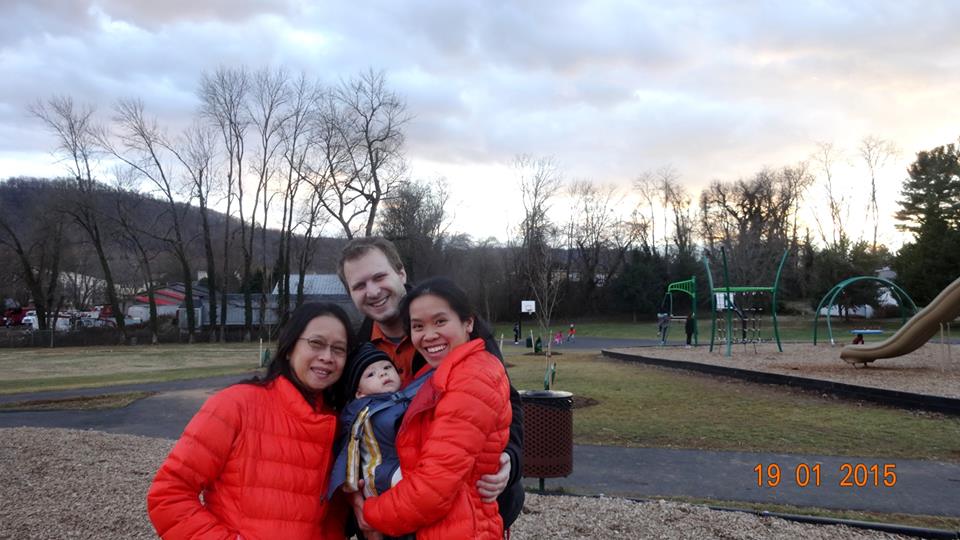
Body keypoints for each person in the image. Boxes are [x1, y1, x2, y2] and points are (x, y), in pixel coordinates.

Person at [338, 237, 524, 533]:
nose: (372, 291)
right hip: (394, 512)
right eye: (359, 285)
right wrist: (354, 499)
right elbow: (347, 429)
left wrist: (510, 458)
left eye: (379, 277)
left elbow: (504, 403)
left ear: (401, 273)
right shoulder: (354, 351)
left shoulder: (457, 328)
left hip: (461, 510)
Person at [147, 303, 355, 540]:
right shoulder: (236, 405)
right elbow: (168, 495)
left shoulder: (338, 425)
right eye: (316, 343)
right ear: (289, 348)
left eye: (339, 349)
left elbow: (333, 518)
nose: (327, 357)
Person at [360, 277, 512, 538]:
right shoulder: (440, 373)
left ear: (468, 322)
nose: (429, 335)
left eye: (440, 321)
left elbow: (434, 488)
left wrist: (371, 513)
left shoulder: (472, 377)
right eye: (418, 326)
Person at [327, 343, 432, 503]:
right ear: (359, 393)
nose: (383, 373)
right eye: (371, 374)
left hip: (403, 466)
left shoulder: (404, 397)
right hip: (381, 475)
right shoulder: (364, 412)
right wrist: (349, 483)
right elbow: (349, 447)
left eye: (387, 367)